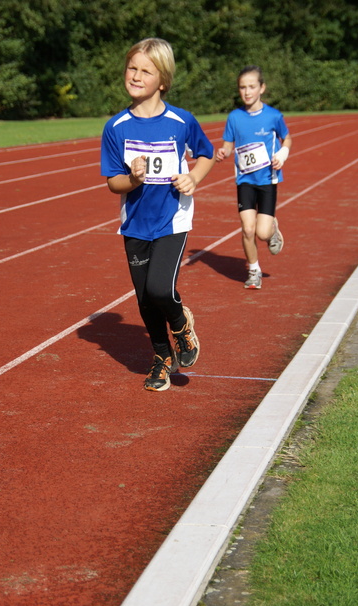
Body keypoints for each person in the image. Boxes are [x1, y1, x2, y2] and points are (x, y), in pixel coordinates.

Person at [101, 37, 215, 391]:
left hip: (172, 219)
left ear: (162, 80)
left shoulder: (181, 121)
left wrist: (193, 177)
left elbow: (207, 153)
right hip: (135, 223)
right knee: (145, 300)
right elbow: (113, 183)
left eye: (145, 70)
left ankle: (181, 325)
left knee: (160, 290)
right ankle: (162, 358)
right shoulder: (116, 127)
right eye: (131, 68)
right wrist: (133, 179)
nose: (135, 75)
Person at [216, 65, 292, 289]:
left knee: (261, 232)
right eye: (242, 87)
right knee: (248, 228)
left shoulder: (273, 116)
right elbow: (228, 145)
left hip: (268, 179)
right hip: (245, 180)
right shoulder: (234, 117)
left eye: (251, 87)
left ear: (262, 88)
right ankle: (253, 270)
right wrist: (224, 152)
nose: (247, 92)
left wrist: (282, 154)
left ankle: (271, 229)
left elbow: (287, 139)